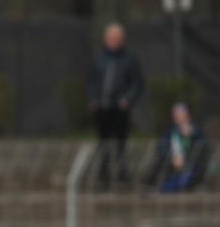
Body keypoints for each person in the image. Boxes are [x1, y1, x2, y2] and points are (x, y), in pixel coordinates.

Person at [87, 23, 143, 187]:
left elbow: (137, 83)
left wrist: (127, 100)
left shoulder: (130, 58)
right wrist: (93, 98)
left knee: (120, 142)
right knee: (103, 141)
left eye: (117, 38)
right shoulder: (98, 57)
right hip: (102, 106)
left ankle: (122, 174)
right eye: (111, 37)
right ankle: (102, 176)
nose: (113, 41)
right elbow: (91, 80)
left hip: (120, 107)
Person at [146, 102, 209, 192]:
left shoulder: (197, 131)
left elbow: (204, 147)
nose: (177, 116)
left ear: (187, 115)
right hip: (172, 164)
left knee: (187, 178)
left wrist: (193, 135)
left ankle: (194, 185)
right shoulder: (170, 131)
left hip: (191, 164)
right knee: (158, 164)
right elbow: (161, 146)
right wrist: (173, 156)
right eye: (175, 114)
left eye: (180, 114)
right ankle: (156, 186)